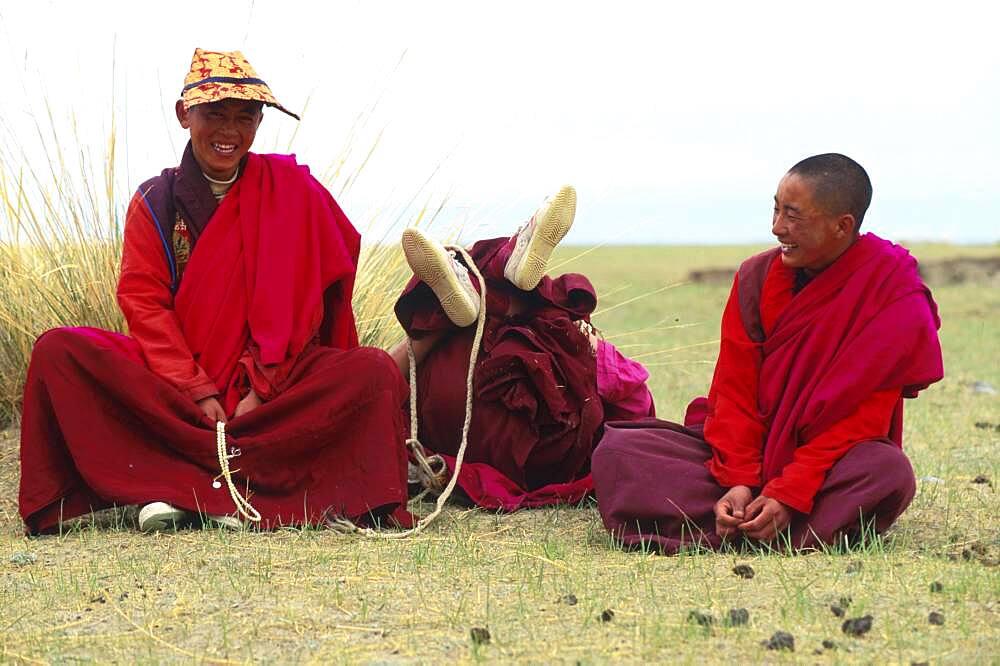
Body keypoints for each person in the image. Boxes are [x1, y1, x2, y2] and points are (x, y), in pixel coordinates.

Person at [18, 49, 412, 533]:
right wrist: (197, 390)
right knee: (60, 351)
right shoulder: (155, 202)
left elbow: (303, 306)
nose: (229, 131)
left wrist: (261, 389)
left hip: (271, 388)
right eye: (214, 114)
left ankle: (172, 483)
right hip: (176, 392)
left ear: (259, 122)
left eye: (244, 116)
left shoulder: (293, 192)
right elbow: (145, 303)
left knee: (373, 371)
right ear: (185, 114)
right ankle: (228, 481)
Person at [591, 154, 944, 552]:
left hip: (828, 464)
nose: (777, 228)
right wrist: (738, 480)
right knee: (619, 450)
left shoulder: (892, 291)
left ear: (842, 226)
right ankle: (768, 524)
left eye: (793, 216)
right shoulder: (756, 279)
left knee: (887, 472)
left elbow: (862, 419)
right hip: (749, 455)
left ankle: (748, 526)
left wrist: (791, 493)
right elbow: (734, 391)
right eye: (775, 209)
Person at [388, 185, 655, 511]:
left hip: (448, 417)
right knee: (550, 318)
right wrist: (586, 339)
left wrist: (428, 336)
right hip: (548, 450)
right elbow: (634, 399)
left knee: (430, 333)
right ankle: (507, 258)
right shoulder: (561, 338)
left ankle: (472, 275)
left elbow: (385, 378)